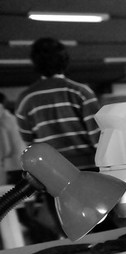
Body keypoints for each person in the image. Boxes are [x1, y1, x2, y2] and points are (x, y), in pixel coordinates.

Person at [15, 37, 103, 241]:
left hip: (51, 174)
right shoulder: (80, 92)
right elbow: (98, 137)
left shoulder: (26, 99)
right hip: (87, 171)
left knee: (71, 230)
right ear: (65, 61)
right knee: (101, 226)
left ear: (35, 64)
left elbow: (29, 140)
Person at [0, 93, 25, 185]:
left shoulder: (2, 120)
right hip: (22, 162)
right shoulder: (13, 118)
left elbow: (6, 149)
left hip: (10, 165)